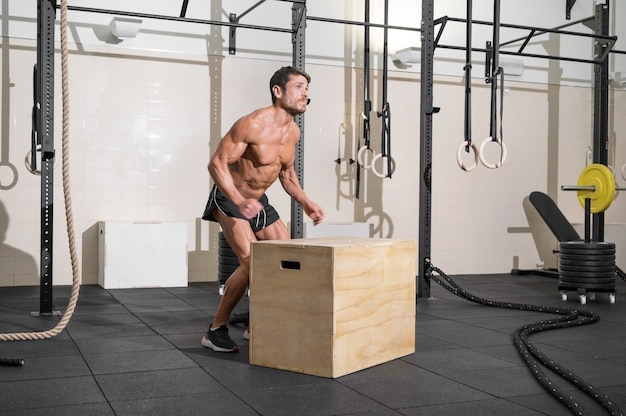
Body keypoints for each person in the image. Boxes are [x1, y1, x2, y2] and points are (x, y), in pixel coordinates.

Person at [201, 66, 325, 352]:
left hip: (258, 201)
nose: (305, 93)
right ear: (277, 91)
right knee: (252, 263)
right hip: (230, 198)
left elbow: (287, 175)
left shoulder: (293, 132)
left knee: (287, 258)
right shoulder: (253, 124)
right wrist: (238, 198)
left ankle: (258, 321)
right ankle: (216, 330)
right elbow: (216, 164)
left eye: (307, 88)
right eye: (299, 86)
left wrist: (307, 203)